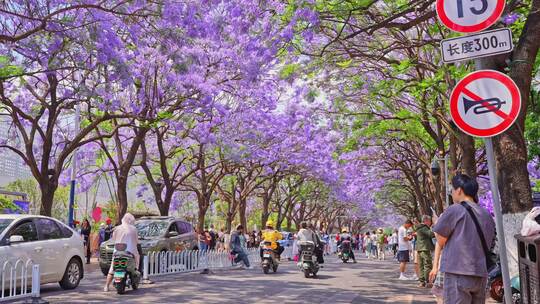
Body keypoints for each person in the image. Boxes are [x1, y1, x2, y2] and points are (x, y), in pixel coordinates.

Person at [431, 174, 495, 303]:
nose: (452, 193)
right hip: (480, 273)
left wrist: (437, 223)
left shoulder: (455, 210)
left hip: (457, 272)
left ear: (459, 190)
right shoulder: (485, 214)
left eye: (452, 190)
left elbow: (441, 240)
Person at [103, 213, 140, 292]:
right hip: (130, 252)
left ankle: (106, 286)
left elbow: (113, 239)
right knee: (137, 261)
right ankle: (136, 272)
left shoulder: (117, 228)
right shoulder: (133, 229)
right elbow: (137, 242)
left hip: (117, 252)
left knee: (112, 270)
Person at [415, 215, 435, 288]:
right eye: (430, 221)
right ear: (426, 221)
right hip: (425, 248)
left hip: (420, 248)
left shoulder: (419, 227)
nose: (430, 223)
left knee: (421, 265)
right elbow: (432, 234)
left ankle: (422, 281)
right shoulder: (424, 228)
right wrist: (434, 227)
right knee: (427, 265)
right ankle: (428, 281)